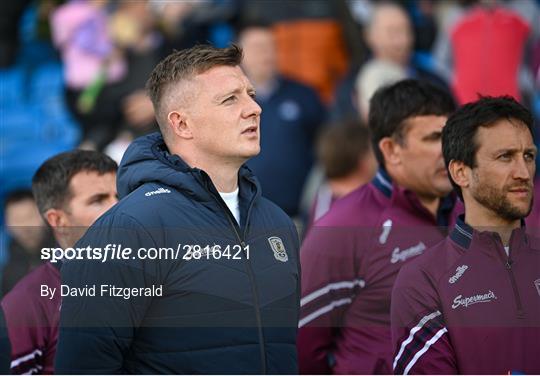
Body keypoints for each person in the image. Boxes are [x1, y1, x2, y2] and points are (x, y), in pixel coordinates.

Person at [55, 44, 301, 374]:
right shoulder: (131, 228)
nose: (254, 108)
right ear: (182, 124)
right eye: (230, 99)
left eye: (251, 94)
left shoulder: (278, 224)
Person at [298, 79, 460, 374]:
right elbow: (305, 349)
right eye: (432, 138)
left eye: (450, 136)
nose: (447, 150)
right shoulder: (342, 229)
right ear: (391, 149)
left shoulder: (469, 213)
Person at [391, 96, 540, 374]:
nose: (523, 173)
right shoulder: (423, 280)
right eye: (505, 157)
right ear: (461, 172)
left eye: (528, 156)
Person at [1, 150, 118, 374]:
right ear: (58, 220)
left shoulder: (159, 276)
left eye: (120, 196)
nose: (118, 208)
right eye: (98, 200)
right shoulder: (27, 303)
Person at [239, 21, 326, 219]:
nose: (266, 53)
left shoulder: (304, 94)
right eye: (257, 48)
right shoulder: (227, 101)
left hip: (298, 214)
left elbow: (325, 146)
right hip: (244, 217)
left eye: (271, 46)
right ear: (239, 54)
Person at [1, 190, 52, 297]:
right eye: (17, 220)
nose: (25, 226)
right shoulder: (6, 270)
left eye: (30, 217)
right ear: (7, 224)